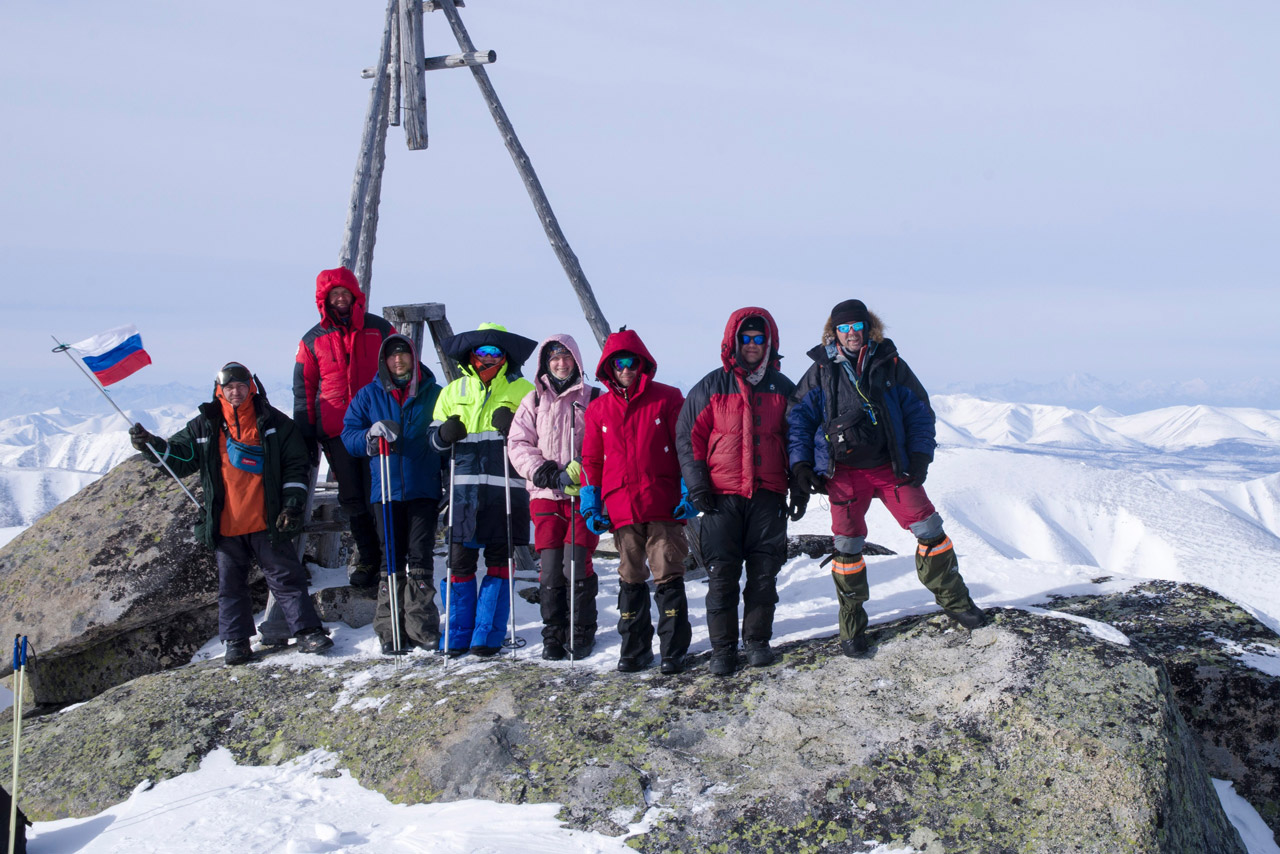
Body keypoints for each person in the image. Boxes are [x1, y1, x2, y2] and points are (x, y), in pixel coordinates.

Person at [787, 299, 986, 657]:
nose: (851, 334)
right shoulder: (820, 370)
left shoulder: (890, 363)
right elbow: (798, 420)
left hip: (891, 468)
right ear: (834, 332)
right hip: (843, 472)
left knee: (930, 530)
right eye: (843, 328)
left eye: (856, 326)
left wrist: (921, 455)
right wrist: (801, 465)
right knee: (847, 547)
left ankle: (956, 602)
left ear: (868, 328)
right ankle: (852, 628)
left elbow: (919, 412)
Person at [129, 362, 333, 665]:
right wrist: (152, 446)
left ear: (250, 386)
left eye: (240, 386)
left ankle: (307, 632)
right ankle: (236, 642)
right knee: (231, 586)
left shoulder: (273, 422)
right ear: (219, 390)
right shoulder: (204, 425)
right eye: (229, 387)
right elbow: (181, 460)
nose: (235, 392)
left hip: (269, 520)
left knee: (287, 579)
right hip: (226, 523)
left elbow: (296, 466)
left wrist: (291, 504)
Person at [676, 308, 804, 677]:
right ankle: (723, 649)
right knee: (722, 576)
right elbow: (689, 438)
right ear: (733, 341)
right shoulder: (712, 386)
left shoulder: (782, 388)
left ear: (769, 343)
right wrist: (697, 483)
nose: (752, 345)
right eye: (745, 339)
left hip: (768, 494)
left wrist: (797, 486)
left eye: (758, 339)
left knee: (764, 575)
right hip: (721, 497)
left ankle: (757, 642)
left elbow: (798, 439)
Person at [579, 329, 693, 675]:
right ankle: (634, 648)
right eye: (619, 363)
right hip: (622, 506)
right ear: (609, 368)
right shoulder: (598, 409)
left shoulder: (669, 398)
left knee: (668, 572)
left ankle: (673, 650)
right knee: (630, 576)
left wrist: (688, 490)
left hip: (663, 502)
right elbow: (591, 461)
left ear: (642, 364)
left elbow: (685, 447)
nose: (626, 369)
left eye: (632, 362)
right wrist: (590, 502)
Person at [429, 323, 537, 657]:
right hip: (463, 496)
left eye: (495, 351)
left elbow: (540, 441)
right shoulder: (453, 391)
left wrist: (516, 426)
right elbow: (432, 442)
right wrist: (444, 435)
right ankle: (458, 635)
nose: (488, 357)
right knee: (459, 565)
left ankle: (487, 638)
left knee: (500, 565)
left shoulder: (524, 390)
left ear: (506, 355)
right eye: (482, 351)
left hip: (506, 493)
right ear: (471, 354)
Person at [341, 334, 444, 655]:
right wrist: (370, 435)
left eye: (403, 354)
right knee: (391, 558)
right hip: (384, 489)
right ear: (384, 362)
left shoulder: (433, 393)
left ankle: (421, 627)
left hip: (423, 488)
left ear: (413, 357)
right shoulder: (369, 395)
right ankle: (390, 630)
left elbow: (446, 429)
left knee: (420, 555)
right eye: (392, 356)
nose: (398, 360)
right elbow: (348, 435)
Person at [293, 266, 392, 588]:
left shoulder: (380, 330)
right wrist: (306, 430)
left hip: (378, 426)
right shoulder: (312, 340)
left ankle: (388, 559)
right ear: (324, 300)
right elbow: (304, 388)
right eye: (333, 294)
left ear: (354, 295)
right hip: (337, 431)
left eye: (344, 293)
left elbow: (403, 370)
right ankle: (367, 558)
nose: (339, 299)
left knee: (382, 494)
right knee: (352, 498)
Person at [507, 335, 601, 661]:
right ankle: (553, 634)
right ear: (545, 363)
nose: (561, 363)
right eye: (554, 358)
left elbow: (604, 443)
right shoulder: (533, 401)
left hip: (580, 495)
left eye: (566, 357)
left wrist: (581, 471)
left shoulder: (593, 398)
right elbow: (518, 444)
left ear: (576, 359)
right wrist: (546, 473)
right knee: (549, 571)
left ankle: (581, 631)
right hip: (545, 494)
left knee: (575, 564)